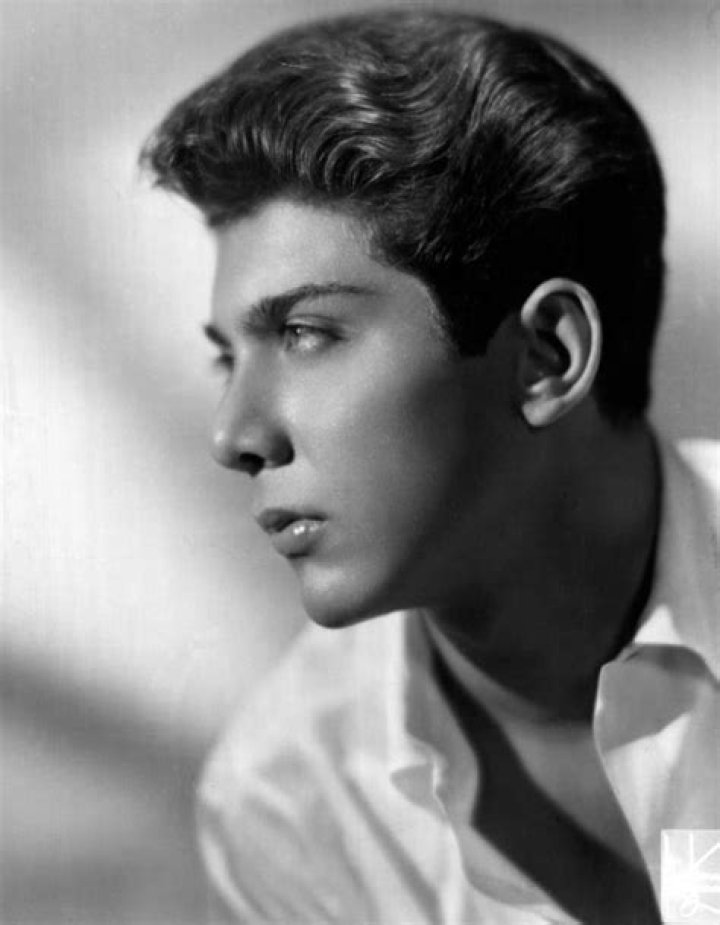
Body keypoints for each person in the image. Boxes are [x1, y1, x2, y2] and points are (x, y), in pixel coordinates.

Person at [140, 10, 719, 924]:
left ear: (549, 356)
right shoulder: (288, 806)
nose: (234, 433)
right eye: (228, 357)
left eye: (305, 332)